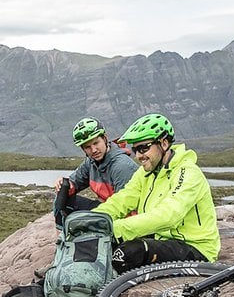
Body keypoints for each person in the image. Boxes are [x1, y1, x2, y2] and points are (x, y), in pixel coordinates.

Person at [93, 112, 220, 274]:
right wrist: (94, 219)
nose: (139, 156)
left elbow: (168, 216)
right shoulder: (146, 172)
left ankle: (109, 295)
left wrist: (114, 227)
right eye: (135, 150)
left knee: (128, 253)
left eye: (144, 148)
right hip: (161, 240)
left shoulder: (188, 172)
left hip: (195, 247)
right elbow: (121, 201)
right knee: (102, 245)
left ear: (164, 143)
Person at [52, 117, 138, 228]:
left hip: (121, 215)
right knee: (62, 196)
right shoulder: (91, 162)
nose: (94, 150)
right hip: (105, 208)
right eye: (88, 147)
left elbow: (127, 208)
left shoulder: (122, 167)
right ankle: (62, 238)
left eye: (96, 143)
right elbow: (74, 183)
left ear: (105, 138)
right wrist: (64, 184)